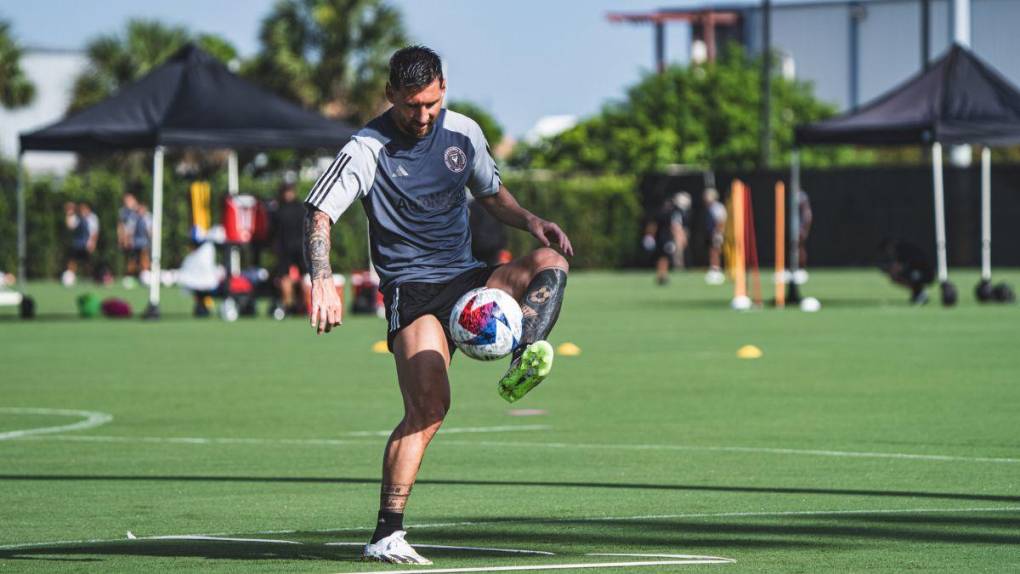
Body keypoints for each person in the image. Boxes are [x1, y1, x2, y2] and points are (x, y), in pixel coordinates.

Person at [303, 46, 572, 565]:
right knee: (428, 410)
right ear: (390, 96)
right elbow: (319, 213)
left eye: (429, 103)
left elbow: (491, 194)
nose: (421, 116)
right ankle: (386, 533)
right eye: (410, 106)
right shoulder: (366, 147)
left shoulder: (464, 133)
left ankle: (525, 355)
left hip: (469, 281)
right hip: (415, 294)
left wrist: (531, 220)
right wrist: (321, 279)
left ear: (443, 88)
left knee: (547, 260)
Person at [270, 181, 308, 315]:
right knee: (289, 278)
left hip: (291, 247)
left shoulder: (277, 209)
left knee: (301, 277)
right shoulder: (302, 208)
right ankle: (295, 306)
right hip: (289, 247)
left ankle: (295, 306)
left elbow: (272, 231)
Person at [643, 192, 688, 285]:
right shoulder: (670, 213)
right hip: (666, 238)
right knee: (664, 257)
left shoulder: (661, 212)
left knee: (663, 257)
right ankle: (662, 274)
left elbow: (653, 225)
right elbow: (674, 226)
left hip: (661, 238)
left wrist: (650, 236)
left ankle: (662, 274)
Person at [879, 239, 934, 305]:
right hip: (917, 273)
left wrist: (892, 270)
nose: (888, 252)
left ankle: (920, 294)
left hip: (926, 274)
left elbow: (901, 266)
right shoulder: (899, 251)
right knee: (898, 277)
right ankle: (918, 293)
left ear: (890, 246)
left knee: (913, 275)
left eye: (887, 249)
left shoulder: (903, 250)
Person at [63, 202, 99, 285]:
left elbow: (94, 232)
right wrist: (68, 214)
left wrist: (92, 243)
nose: (82, 210)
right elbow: (70, 227)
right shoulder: (76, 217)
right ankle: (70, 277)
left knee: (88, 262)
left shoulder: (92, 218)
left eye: (84, 208)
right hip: (76, 243)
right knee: (72, 261)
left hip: (87, 244)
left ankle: (90, 277)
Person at [704, 187, 726, 285]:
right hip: (712, 232)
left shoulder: (717, 207)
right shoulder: (710, 207)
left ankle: (716, 269)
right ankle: (713, 268)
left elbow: (720, 221)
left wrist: (718, 233)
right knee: (712, 251)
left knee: (715, 251)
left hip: (717, 233)